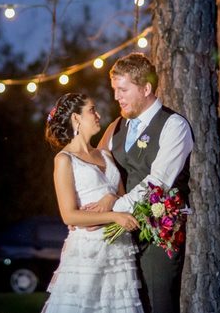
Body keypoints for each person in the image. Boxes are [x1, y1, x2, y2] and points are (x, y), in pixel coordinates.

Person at [89, 53, 194, 313]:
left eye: (123, 89)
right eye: (115, 90)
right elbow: (101, 170)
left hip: (158, 233)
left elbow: (158, 182)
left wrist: (113, 211)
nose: (116, 97)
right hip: (121, 234)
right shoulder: (115, 128)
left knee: (158, 303)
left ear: (146, 88)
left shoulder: (174, 126)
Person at [42, 92, 144, 313]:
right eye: (91, 110)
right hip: (87, 253)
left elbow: (123, 197)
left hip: (118, 252)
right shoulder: (64, 160)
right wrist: (113, 216)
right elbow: (69, 215)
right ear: (76, 118)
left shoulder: (106, 155)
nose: (98, 114)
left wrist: (111, 199)